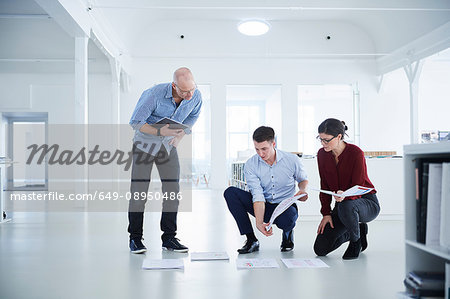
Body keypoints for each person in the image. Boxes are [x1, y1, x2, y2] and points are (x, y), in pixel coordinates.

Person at [127, 67, 202, 254]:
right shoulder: (154, 94)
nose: (189, 95)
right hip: (144, 145)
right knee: (139, 193)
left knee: (172, 192)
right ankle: (135, 238)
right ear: (174, 86)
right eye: (184, 91)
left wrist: (179, 137)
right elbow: (136, 122)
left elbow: (193, 115)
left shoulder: (195, 95)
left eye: (191, 89)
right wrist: (161, 131)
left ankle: (169, 238)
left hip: (168, 147)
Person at [224, 126, 309, 253]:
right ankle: (251, 240)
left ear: (273, 144)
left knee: (288, 220)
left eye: (264, 149)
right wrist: (259, 223)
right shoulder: (251, 164)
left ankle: (287, 234)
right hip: (264, 204)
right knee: (230, 193)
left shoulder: (292, 160)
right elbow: (257, 195)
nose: (261, 154)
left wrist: (303, 190)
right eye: (257, 149)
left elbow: (303, 180)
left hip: (284, 207)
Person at [313, 118, 380, 260]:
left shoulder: (356, 153)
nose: (322, 143)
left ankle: (356, 242)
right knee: (320, 249)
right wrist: (326, 213)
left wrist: (344, 196)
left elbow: (358, 184)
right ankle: (356, 231)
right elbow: (324, 184)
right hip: (342, 205)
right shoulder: (322, 154)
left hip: (365, 202)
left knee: (346, 205)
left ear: (339, 137)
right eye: (320, 139)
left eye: (326, 140)